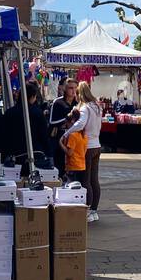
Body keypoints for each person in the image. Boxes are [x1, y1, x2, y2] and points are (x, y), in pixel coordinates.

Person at [63, 82, 103, 222]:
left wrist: (67, 133)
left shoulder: (85, 108)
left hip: (88, 147)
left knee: (85, 180)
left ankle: (88, 210)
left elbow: (80, 124)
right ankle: (94, 211)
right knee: (94, 180)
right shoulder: (97, 106)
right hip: (97, 145)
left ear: (81, 93)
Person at [2, 81, 46, 170]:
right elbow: (43, 135)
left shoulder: (9, 113)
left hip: (13, 156)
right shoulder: (38, 113)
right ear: (33, 97)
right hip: (34, 154)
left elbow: (4, 134)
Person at [48, 79, 78, 176]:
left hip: (74, 139)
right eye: (70, 88)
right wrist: (67, 119)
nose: (73, 91)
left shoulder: (78, 103)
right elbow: (51, 121)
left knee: (74, 168)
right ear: (65, 89)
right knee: (59, 167)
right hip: (59, 138)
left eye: (75, 88)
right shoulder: (58, 102)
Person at [62, 107, 87, 188]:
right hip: (82, 166)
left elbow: (69, 153)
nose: (66, 126)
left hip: (73, 166)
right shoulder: (84, 135)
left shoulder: (72, 136)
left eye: (67, 124)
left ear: (72, 122)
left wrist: (60, 143)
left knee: (72, 189)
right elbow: (84, 151)